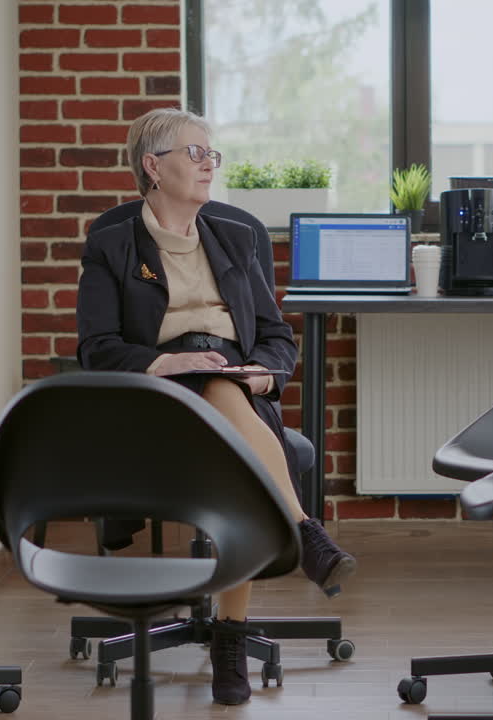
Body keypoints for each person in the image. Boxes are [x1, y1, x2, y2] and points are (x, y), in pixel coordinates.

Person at [75, 107, 358, 705]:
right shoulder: (110, 246)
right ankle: (301, 536)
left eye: (212, 154)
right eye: (194, 153)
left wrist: (264, 374)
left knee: (226, 400)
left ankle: (232, 632)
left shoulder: (235, 237)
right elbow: (98, 350)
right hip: (155, 396)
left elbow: (277, 336)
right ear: (154, 167)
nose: (209, 165)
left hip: (235, 386)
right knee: (215, 390)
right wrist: (167, 362)